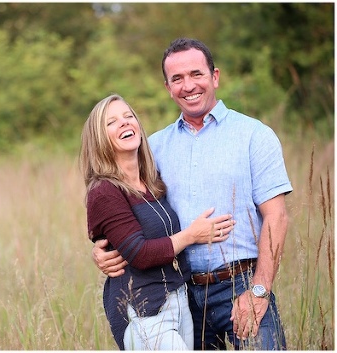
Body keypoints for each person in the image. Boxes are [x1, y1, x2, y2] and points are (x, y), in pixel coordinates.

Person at [92, 38, 292, 350]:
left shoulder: (254, 136)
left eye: (196, 74)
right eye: (177, 78)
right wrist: (104, 249)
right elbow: (125, 210)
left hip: (240, 286)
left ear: (215, 77)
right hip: (179, 294)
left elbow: (276, 217)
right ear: (168, 87)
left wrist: (259, 290)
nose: (188, 86)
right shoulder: (153, 148)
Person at [81, 94, 234, 350]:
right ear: (99, 138)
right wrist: (192, 235)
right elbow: (140, 254)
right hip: (145, 310)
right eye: (112, 122)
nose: (124, 122)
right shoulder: (104, 191)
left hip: (179, 302)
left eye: (128, 116)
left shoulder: (151, 181)